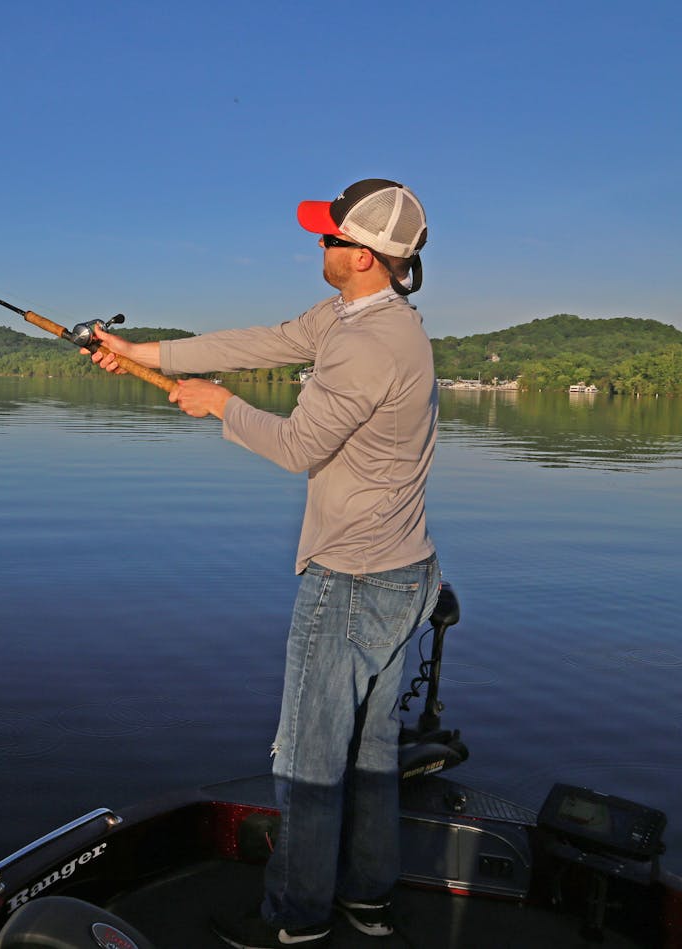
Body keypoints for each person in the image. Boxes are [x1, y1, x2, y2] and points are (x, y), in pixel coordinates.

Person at [85, 179, 442, 948]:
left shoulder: (366, 345)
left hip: (351, 579)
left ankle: (299, 916)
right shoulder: (368, 319)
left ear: (368, 258)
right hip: (406, 569)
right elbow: (264, 341)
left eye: (330, 237)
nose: (318, 245)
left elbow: (297, 448)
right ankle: (370, 901)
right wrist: (136, 351)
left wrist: (220, 406)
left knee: (311, 762)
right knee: (373, 756)